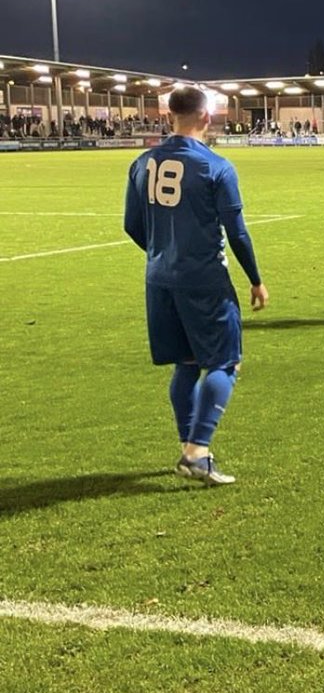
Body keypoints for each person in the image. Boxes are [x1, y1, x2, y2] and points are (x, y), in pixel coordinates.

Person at [123, 85, 268, 486]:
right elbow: (237, 233)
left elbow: (132, 226)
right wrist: (256, 280)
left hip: (159, 278)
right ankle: (197, 450)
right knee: (224, 362)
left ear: (170, 114)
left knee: (185, 364)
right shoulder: (216, 167)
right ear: (207, 117)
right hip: (203, 279)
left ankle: (190, 448)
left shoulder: (142, 162)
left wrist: (163, 253)